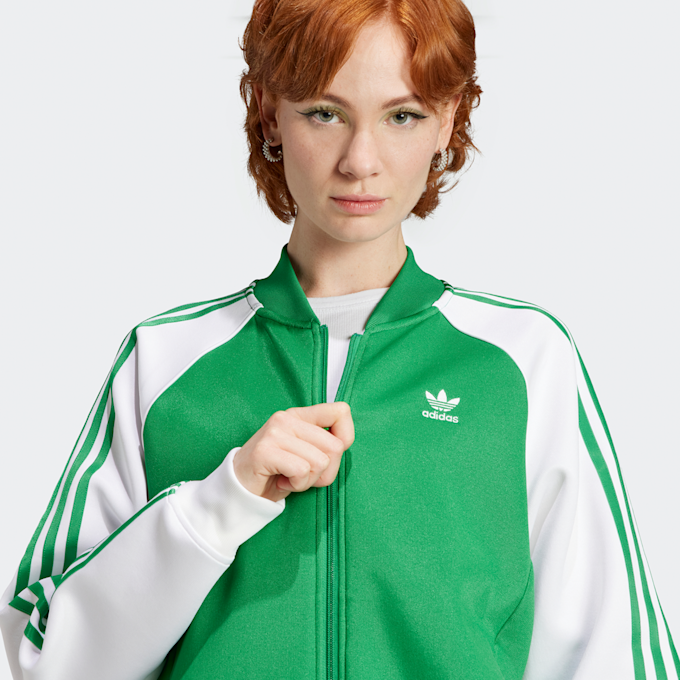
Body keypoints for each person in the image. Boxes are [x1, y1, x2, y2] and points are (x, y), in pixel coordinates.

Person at [1, 0, 677, 678]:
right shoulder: (165, 361)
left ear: (448, 120)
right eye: (325, 113)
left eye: (403, 116)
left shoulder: (522, 361)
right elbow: (37, 656)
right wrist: (218, 505)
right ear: (270, 113)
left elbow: (614, 657)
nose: (361, 161)